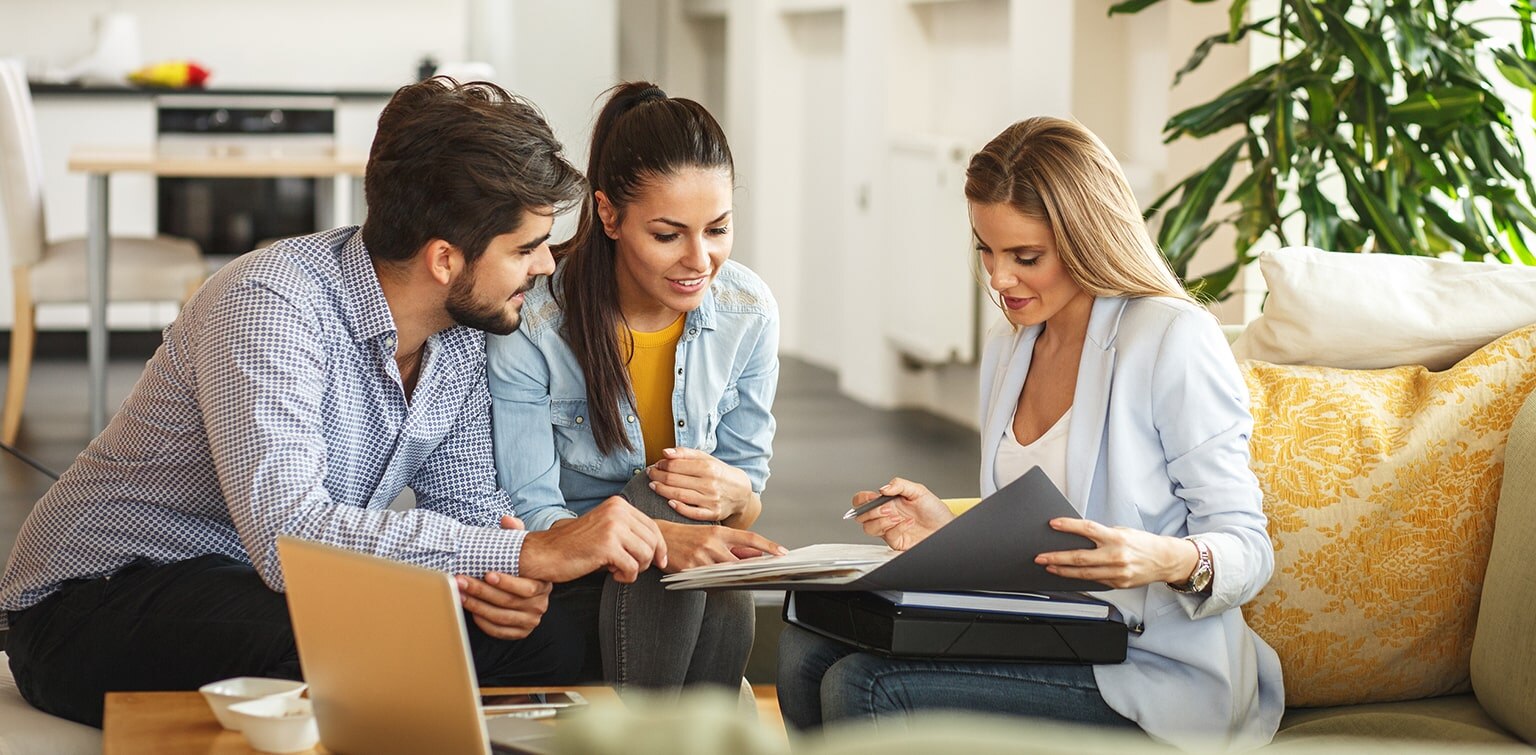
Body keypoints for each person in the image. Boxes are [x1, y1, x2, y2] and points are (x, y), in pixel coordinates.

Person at [0, 77, 668, 728]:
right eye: (526, 248)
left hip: (257, 586)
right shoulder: (268, 304)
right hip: (93, 600)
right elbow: (288, 535)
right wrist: (527, 556)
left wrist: (504, 579)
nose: (547, 265)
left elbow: (467, 511)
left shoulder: (464, 332)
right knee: (362, 640)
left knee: (550, 635)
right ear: (444, 259)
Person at [776, 117, 1283, 749]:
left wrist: (1165, 559)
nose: (998, 278)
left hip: (1149, 667)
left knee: (866, 684)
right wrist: (947, 527)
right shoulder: (1011, 346)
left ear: (1087, 240)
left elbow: (1249, 549)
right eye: (986, 249)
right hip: (1047, 634)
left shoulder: (1171, 338)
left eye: (1026, 257)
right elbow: (1040, 527)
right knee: (802, 649)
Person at [487, 82, 783, 695]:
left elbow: (746, 500)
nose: (700, 259)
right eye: (669, 235)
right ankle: (701, 726)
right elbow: (532, 512)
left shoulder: (748, 310)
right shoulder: (536, 323)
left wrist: (734, 494)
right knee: (654, 498)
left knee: (693, 517)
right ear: (609, 214)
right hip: (578, 575)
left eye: (718, 229)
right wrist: (660, 536)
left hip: (689, 583)